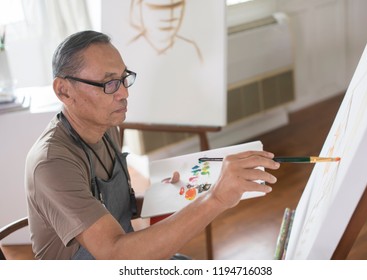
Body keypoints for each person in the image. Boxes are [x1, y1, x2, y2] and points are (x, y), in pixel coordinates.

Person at [25, 30, 280, 260]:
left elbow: (110, 206)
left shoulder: (106, 127)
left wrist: (165, 196)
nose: (124, 93)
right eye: (109, 83)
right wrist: (215, 198)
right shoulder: (52, 163)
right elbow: (115, 254)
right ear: (64, 91)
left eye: (124, 78)